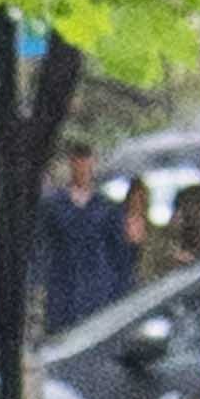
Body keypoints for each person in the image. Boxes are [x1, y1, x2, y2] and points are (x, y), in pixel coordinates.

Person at [31, 140, 142, 332]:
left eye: (87, 164)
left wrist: (133, 245)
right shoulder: (53, 205)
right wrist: (39, 282)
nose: (83, 170)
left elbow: (120, 255)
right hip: (63, 289)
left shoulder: (107, 207)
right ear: (72, 164)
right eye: (78, 163)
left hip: (98, 289)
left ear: (93, 165)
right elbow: (40, 245)